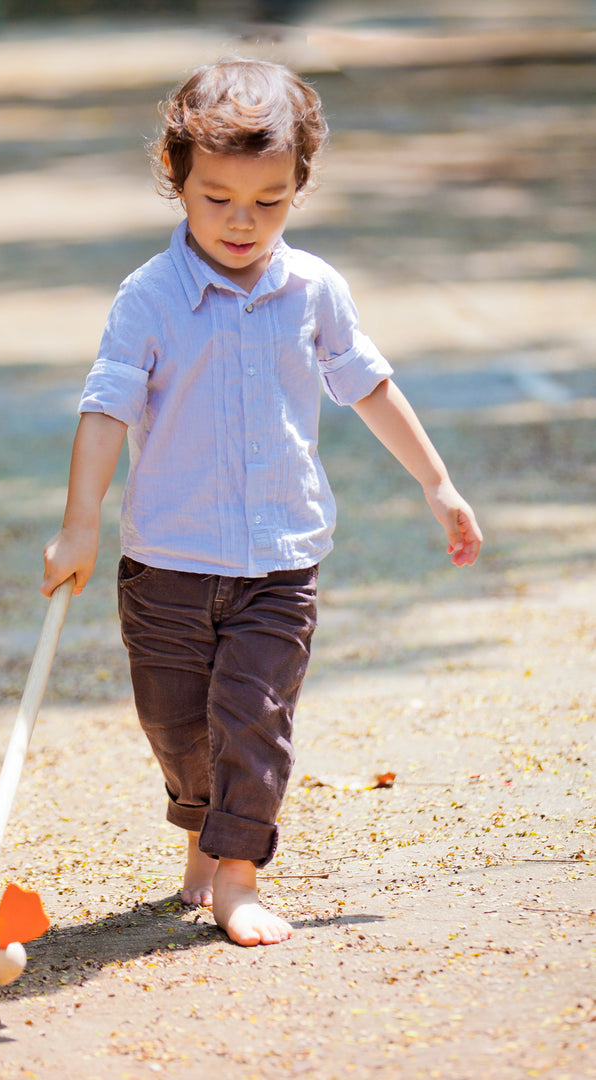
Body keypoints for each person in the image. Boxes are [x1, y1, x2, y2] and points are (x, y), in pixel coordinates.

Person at [41, 58, 482, 948]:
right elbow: (106, 410)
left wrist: (438, 484)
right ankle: (203, 829)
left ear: (299, 188)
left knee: (255, 719)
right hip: (166, 561)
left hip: (278, 562)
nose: (244, 222)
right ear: (177, 181)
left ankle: (238, 872)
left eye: (270, 201)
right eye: (219, 199)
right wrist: (79, 523)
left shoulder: (313, 289)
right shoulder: (149, 297)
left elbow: (369, 386)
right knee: (175, 725)